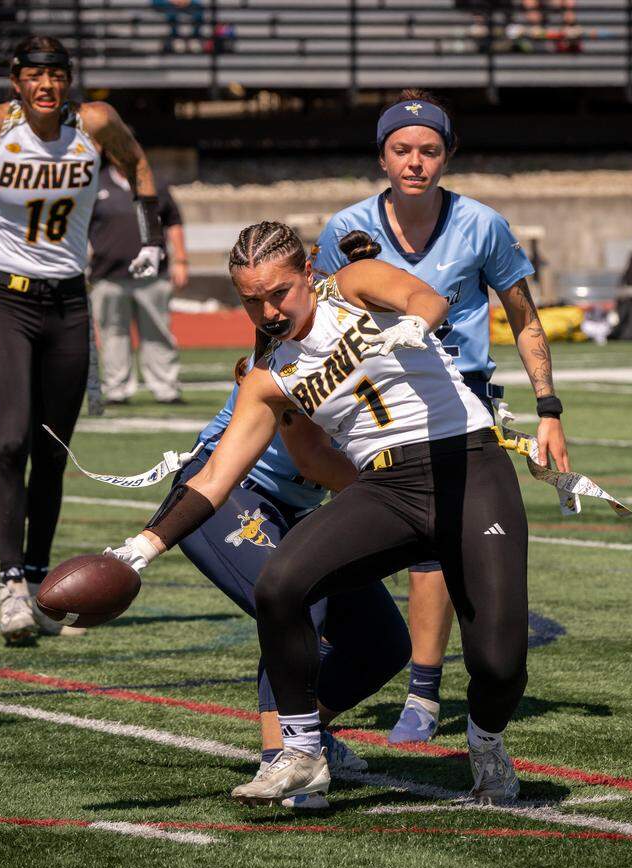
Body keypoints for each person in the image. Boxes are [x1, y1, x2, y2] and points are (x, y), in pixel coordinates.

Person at [108, 222, 543, 806]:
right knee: (282, 583)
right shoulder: (269, 375)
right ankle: (300, 751)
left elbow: (428, 297)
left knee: (498, 660)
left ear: (307, 275)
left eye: (278, 293)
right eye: (250, 300)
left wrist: (415, 324)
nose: (266, 311)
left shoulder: (353, 284)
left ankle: (486, 741)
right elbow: (215, 477)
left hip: (468, 465)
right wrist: (142, 548)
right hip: (385, 484)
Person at [313, 90, 568, 746]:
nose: (415, 161)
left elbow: (524, 316)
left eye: (429, 150)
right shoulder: (344, 228)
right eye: (402, 149)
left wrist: (548, 410)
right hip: (379, 413)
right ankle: (323, 701)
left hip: (463, 407)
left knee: (441, 555)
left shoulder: (481, 224)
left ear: (448, 155)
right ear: (382, 155)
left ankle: (424, 695)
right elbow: (312, 323)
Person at [0, 35, 167, 644]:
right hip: (3, 297)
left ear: (69, 80)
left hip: (69, 299)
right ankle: (10, 584)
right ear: (15, 80)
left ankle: (41, 587)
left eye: (57, 75)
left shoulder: (94, 123)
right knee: (12, 438)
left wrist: (152, 238)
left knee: (52, 449)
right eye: (34, 75)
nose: (46, 85)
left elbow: (139, 164)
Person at [170, 356, 411, 807]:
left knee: (384, 644)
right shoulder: (319, 347)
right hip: (230, 488)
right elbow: (317, 460)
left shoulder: (404, 361)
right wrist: (402, 499)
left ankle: (309, 733)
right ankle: (281, 755)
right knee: (293, 599)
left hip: (299, 506)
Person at [89, 162, 187, 404]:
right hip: (108, 275)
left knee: (157, 332)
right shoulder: (94, 183)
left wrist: (181, 259)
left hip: (151, 276)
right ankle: (116, 390)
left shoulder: (154, 183)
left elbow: (173, 221)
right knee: (112, 333)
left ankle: (166, 389)